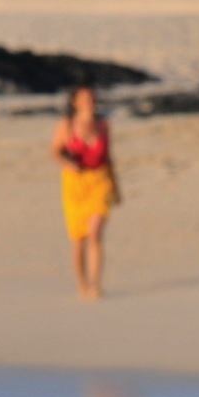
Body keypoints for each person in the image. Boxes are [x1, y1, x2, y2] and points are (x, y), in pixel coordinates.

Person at [51, 85, 119, 300]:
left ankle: (96, 284)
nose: (90, 101)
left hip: (100, 180)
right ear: (75, 102)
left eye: (92, 97)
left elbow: (108, 157)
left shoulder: (103, 125)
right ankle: (82, 286)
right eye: (85, 98)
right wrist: (67, 164)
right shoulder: (67, 125)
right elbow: (54, 152)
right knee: (78, 238)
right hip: (74, 184)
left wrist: (117, 187)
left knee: (95, 231)